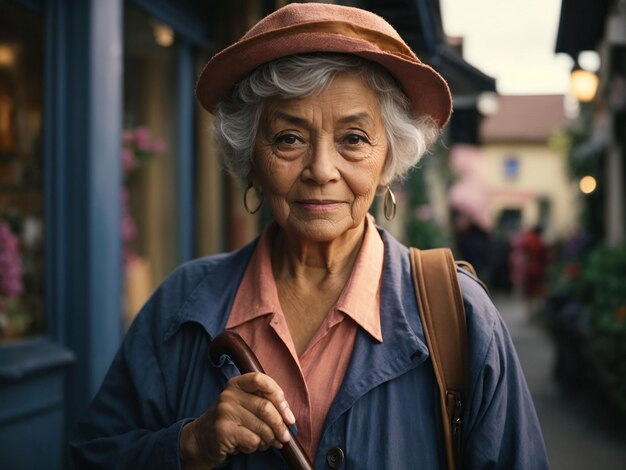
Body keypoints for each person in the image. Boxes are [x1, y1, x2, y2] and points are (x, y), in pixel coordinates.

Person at [70, 4, 549, 469]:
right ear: (251, 160)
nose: (321, 171)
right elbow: (96, 454)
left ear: (389, 159)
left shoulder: (460, 316)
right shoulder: (182, 302)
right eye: (288, 138)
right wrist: (191, 444)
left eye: (354, 139)